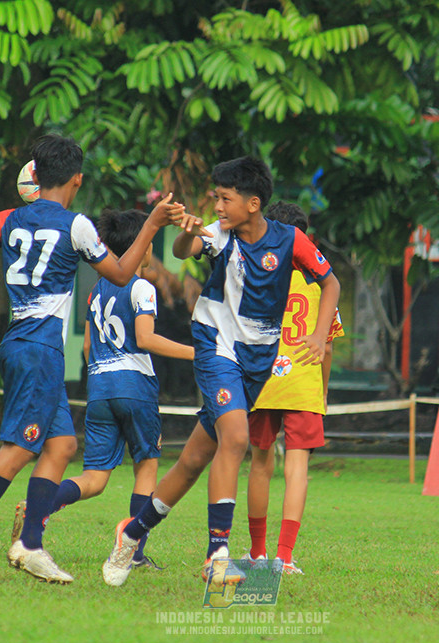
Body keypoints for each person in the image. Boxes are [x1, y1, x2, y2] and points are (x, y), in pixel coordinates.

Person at [0, 134, 184, 585]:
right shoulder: (76, 225)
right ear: (76, 179)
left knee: (63, 446)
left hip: (20, 344)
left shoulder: (8, 217)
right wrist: (151, 224)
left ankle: (30, 545)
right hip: (40, 351)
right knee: (20, 448)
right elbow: (124, 273)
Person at [102, 156, 340, 587]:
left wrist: (321, 336)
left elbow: (331, 282)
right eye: (215, 198)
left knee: (193, 461)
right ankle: (218, 554)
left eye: (224, 199)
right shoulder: (218, 233)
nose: (217, 206)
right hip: (214, 348)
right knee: (236, 437)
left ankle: (132, 533)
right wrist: (186, 235)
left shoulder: (290, 241)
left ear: (252, 203)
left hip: (256, 362)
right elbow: (182, 251)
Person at [10, 208, 194, 571]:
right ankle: (134, 553)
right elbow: (145, 338)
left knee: (94, 479)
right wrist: (197, 352)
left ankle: (40, 506)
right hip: (134, 386)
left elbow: (87, 348)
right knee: (147, 466)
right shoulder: (141, 287)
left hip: (99, 388)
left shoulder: (97, 290)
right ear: (143, 247)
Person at [243, 201, 344, 575]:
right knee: (296, 469)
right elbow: (328, 346)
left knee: (259, 464)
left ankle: (257, 552)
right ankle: (284, 557)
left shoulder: (259, 275)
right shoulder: (320, 284)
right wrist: (323, 390)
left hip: (263, 380)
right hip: (303, 381)